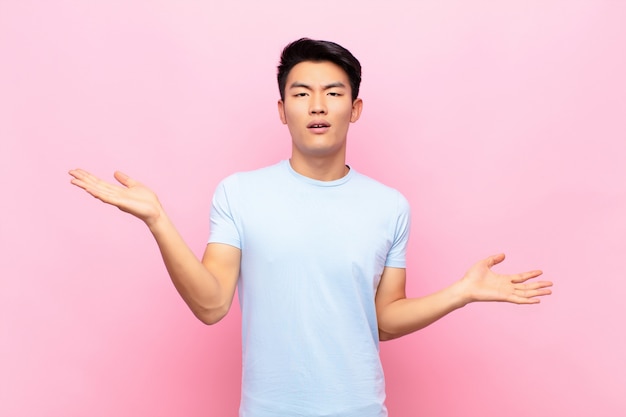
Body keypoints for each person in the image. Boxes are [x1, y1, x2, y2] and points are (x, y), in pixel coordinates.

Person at [69, 38, 553, 417]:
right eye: (301, 94)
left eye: (333, 93)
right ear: (282, 110)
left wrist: (460, 293)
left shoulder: (389, 206)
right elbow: (212, 303)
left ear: (355, 109)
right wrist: (158, 221)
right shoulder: (239, 193)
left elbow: (383, 319)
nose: (317, 106)